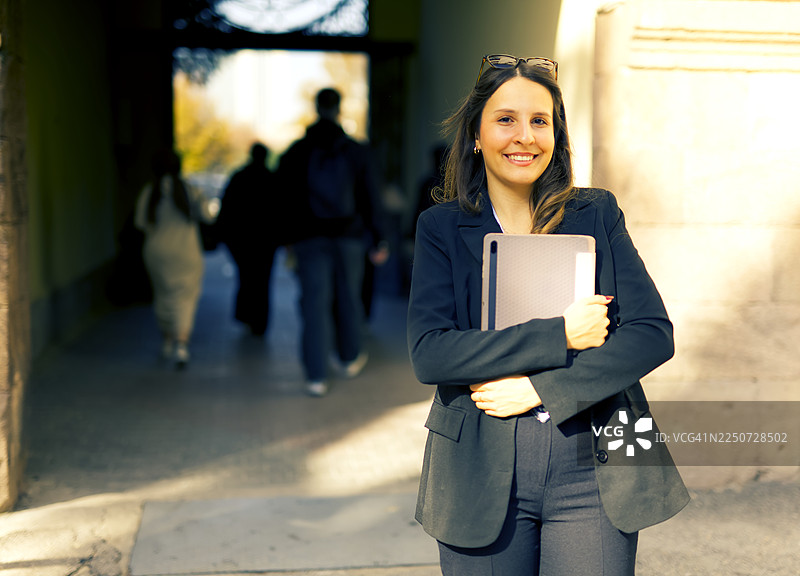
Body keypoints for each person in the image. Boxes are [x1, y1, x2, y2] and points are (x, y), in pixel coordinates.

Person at [406, 55, 689, 575]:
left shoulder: (596, 212)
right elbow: (431, 353)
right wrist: (560, 334)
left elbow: (652, 334)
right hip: (478, 470)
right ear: (475, 134)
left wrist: (542, 389)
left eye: (540, 121)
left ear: (556, 135)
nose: (525, 137)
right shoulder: (440, 228)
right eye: (505, 119)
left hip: (596, 464)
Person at [278, 87, 388, 397]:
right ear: (339, 108)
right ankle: (349, 356)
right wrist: (377, 237)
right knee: (348, 296)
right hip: (349, 237)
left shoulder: (296, 151)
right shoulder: (357, 151)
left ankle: (316, 375)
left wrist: (286, 239)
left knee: (314, 302)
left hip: (308, 238)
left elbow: (282, 200)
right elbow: (371, 197)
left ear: (316, 107)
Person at [135, 148, 212, 369]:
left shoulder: (150, 192)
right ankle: (181, 344)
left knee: (162, 296)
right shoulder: (190, 191)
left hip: (156, 252)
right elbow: (207, 216)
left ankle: (167, 340)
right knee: (185, 297)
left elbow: (140, 224)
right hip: (187, 252)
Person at [216, 142, 279, 336]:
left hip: (242, 240)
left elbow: (225, 208)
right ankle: (258, 320)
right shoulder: (271, 179)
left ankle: (247, 315)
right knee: (262, 280)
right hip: (265, 241)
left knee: (246, 277)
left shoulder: (240, 177)